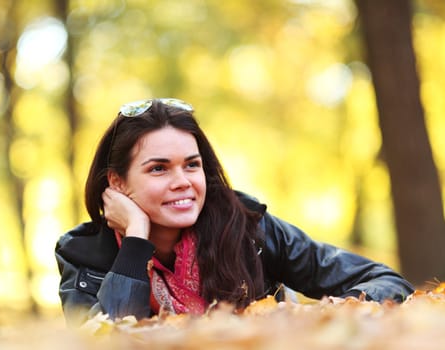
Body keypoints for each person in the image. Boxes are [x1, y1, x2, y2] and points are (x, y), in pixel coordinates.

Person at [55, 98, 414, 326]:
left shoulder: (247, 226)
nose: (183, 181)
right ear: (117, 182)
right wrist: (135, 239)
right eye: (159, 168)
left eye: (191, 165)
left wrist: (307, 321)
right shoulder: (82, 253)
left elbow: (388, 283)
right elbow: (102, 339)